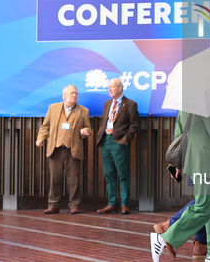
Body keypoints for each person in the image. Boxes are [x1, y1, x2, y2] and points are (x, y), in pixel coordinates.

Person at [150, 107, 210, 262]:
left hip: (196, 160)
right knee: (203, 206)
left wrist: (176, 165)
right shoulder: (206, 106)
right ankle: (164, 238)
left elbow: (179, 135)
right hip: (206, 162)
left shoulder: (187, 104)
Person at [36, 85, 91, 215]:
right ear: (64, 95)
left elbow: (88, 128)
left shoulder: (83, 111)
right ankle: (53, 205)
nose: (74, 95)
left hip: (73, 150)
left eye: (76, 93)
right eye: (72, 93)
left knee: (74, 180)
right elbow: (45, 126)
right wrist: (40, 138)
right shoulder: (53, 108)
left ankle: (74, 205)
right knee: (55, 179)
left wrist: (86, 131)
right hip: (55, 149)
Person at [95, 78, 139, 215]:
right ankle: (112, 204)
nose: (109, 89)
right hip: (105, 140)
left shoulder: (130, 104)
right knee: (109, 174)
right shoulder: (107, 103)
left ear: (120, 88)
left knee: (123, 174)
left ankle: (125, 204)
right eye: (108, 87)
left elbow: (134, 124)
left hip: (119, 142)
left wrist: (127, 139)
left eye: (112, 87)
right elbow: (104, 121)